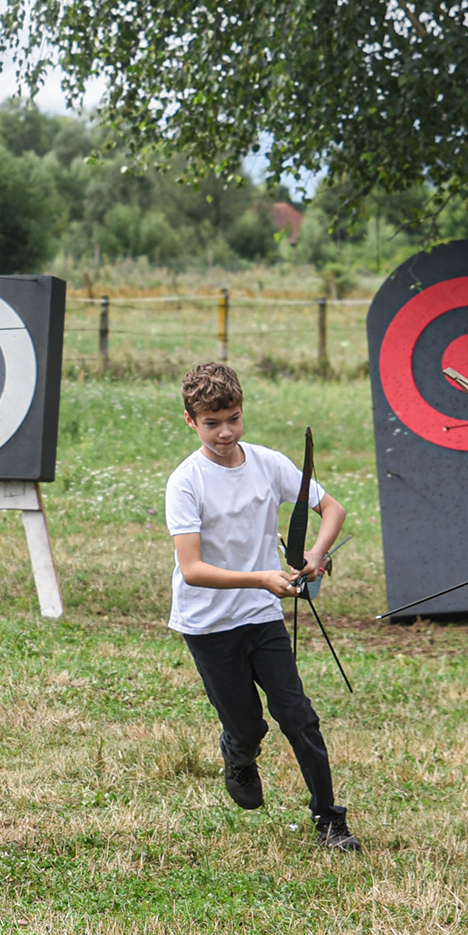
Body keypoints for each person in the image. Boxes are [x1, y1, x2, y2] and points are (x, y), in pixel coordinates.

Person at [162, 363, 358, 851]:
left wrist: (315, 555)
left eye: (233, 417)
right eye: (212, 423)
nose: (225, 431)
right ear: (191, 422)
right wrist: (262, 578)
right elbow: (193, 569)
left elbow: (331, 508)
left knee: (299, 715)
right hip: (208, 623)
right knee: (248, 723)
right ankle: (237, 749)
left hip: (261, 615)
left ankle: (330, 821)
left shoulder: (269, 463)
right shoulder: (185, 482)